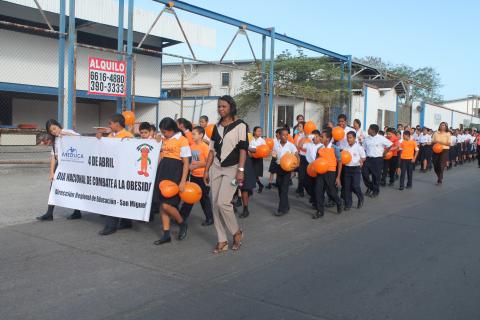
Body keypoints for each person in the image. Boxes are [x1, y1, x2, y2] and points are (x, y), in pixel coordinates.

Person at [204, 95, 246, 253]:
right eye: (219, 106)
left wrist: (241, 171)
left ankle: (236, 233)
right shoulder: (216, 127)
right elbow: (211, 151)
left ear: (231, 107)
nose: (221, 109)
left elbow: (243, 149)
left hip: (233, 169)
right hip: (216, 167)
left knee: (223, 203)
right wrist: (206, 170)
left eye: (224, 106)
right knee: (215, 205)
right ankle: (222, 240)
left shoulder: (240, 125)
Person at [154, 117, 190, 245]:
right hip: (163, 171)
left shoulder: (183, 140)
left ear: (172, 129)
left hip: (176, 172)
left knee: (167, 204)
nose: (164, 134)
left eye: (165, 131)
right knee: (162, 204)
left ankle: (182, 223)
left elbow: (186, 163)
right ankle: (166, 234)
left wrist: (183, 181)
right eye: (162, 131)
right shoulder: (163, 139)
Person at [36, 119, 82, 221]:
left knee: (74, 188)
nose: (54, 131)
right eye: (51, 131)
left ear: (58, 126)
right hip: (60, 166)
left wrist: (65, 134)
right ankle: (49, 213)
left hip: (73, 165)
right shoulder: (55, 139)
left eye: (54, 128)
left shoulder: (68, 132)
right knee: (54, 187)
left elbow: (81, 139)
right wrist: (51, 172)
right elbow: (53, 157)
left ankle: (77, 212)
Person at [97, 114, 134, 236]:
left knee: (114, 197)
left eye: (110, 123)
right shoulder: (111, 135)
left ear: (117, 123)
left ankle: (111, 225)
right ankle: (126, 221)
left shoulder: (128, 136)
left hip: (121, 172)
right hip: (111, 171)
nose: (109, 126)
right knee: (116, 196)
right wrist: (100, 138)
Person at [179, 126, 214, 226]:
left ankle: (210, 218)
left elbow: (209, 161)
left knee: (203, 198)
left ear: (201, 135)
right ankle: (182, 216)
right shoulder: (192, 146)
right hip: (194, 175)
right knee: (190, 196)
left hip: (203, 176)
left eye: (194, 134)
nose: (192, 136)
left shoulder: (204, 147)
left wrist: (197, 165)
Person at [313, 128, 343, 219]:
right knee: (318, 191)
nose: (320, 138)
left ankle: (338, 202)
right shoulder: (319, 148)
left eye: (322, 137)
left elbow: (340, 162)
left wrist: (338, 177)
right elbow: (317, 161)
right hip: (320, 173)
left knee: (332, 192)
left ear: (328, 139)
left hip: (331, 173)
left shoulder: (335, 148)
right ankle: (320, 211)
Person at [272, 127, 298, 216]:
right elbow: (274, 155)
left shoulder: (291, 145)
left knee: (284, 189)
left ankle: (281, 209)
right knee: (280, 188)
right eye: (283, 135)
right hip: (279, 168)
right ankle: (286, 206)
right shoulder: (276, 144)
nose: (285, 136)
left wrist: (297, 165)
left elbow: (297, 155)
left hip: (287, 170)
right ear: (279, 136)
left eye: (287, 135)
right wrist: (274, 156)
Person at [362, 124, 393, 198]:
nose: (368, 130)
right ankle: (370, 187)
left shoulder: (381, 138)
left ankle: (375, 191)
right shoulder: (367, 138)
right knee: (364, 173)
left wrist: (385, 153)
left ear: (373, 130)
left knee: (376, 176)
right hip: (368, 159)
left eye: (369, 129)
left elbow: (390, 144)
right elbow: (363, 148)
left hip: (377, 159)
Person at [299, 130, 324, 208]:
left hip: (318, 167)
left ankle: (317, 202)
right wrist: (306, 137)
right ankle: (313, 196)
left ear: (320, 137)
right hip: (309, 167)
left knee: (317, 186)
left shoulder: (322, 146)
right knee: (305, 182)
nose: (314, 138)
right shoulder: (309, 144)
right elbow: (300, 145)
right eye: (313, 136)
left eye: (316, 136)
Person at [343, 131, 365, 210]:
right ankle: (348, 204)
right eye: (347, 137)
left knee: (355, 186)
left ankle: (360, 197)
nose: (348, 139)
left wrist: (361, 161)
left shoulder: (359, 147)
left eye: (350, 137)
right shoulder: (346, 147)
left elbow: (363, 157)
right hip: (347, 168)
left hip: (356, 169)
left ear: (354, 138)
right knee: (347, 187)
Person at [249, 126, 266, 193]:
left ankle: (257, 186)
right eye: (258, 131)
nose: (260, 132)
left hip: (258, 159)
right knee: (251, 174)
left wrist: (256, 151)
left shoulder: (262, 141)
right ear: (254, 132)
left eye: (260, 131)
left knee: (255, 174)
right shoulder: (251, 139)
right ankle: (258, 186)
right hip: (251, 158)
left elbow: (264, 150)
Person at [294, 121, 307, 197]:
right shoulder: (297, 135)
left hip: (305, 156)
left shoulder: (307, 136)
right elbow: (294, 144)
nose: (298, 128)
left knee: (304, 174)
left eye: (300, 126)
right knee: (300, 173)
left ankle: (302, 188)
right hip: (298, 155)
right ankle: (300, 189)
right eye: (298, 126)